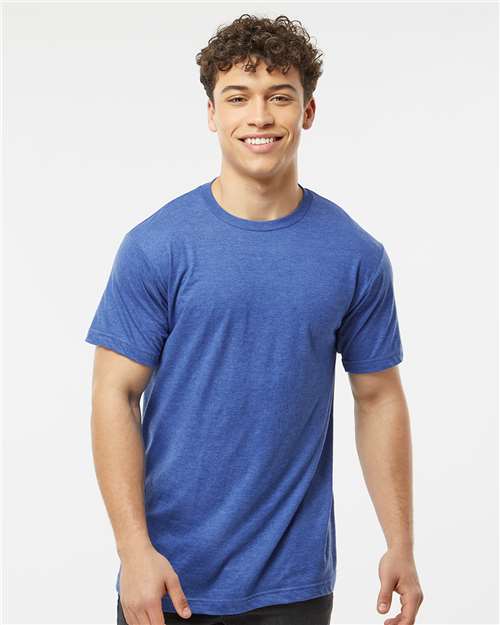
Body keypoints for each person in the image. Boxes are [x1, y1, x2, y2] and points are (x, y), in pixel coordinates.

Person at [85, 13, 424, 625]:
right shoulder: (156, 247)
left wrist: (400, 542)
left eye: (280, 96)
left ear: (308, 111)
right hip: (168, 575)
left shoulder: (355, 255)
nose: (260, 116)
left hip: (294, 584)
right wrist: (133, 551)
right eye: (238, 97)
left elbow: (377, 398)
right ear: (212, 114)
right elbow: (115, 394)